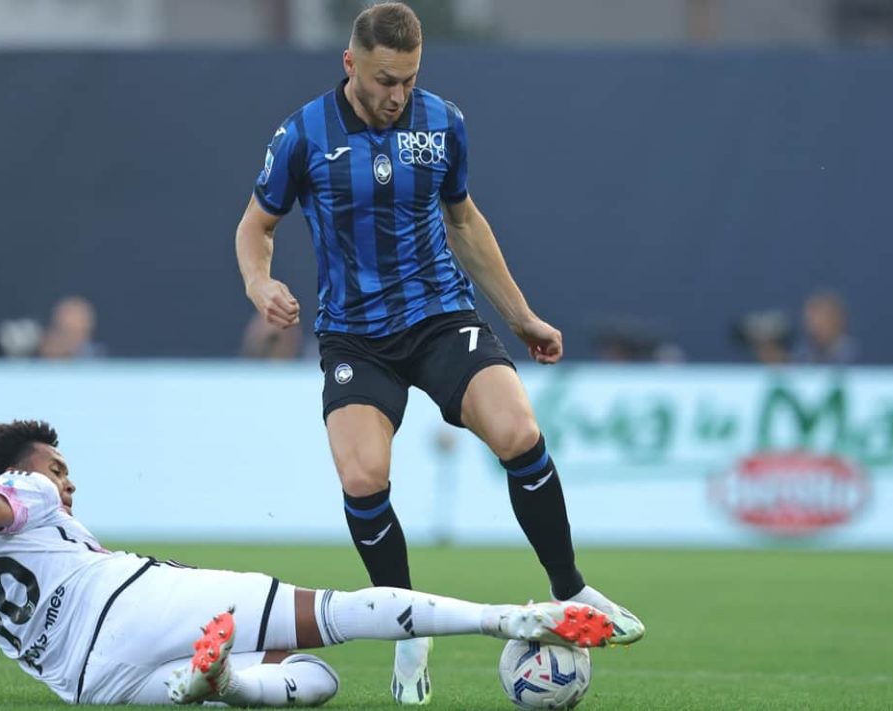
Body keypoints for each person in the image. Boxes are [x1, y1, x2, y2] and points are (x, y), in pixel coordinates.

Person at [233, 2, 644, 703]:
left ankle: (573, 589)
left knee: (519, 430)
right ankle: (407, 625)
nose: (397, 95)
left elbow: (465, 221)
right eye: (385, 79)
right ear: (351, 64)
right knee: (363, 476)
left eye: (409, 79)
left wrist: (521, 317)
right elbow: (255, 225)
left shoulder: (442, 122)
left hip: (440, 317)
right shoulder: (303, 133)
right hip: (356, 336)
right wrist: (259, 281)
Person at [0, 420, 615, 707]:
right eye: (58, 465)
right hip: (134, 605)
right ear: (24, 470)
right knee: (338, 613)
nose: (66, 478)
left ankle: (220, 683)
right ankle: (503, 618)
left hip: (94, 685)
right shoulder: (23, 491)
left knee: (312, 684)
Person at [792, 289, 858, 365]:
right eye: (811, 320)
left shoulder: (857, 357)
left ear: (837, 320)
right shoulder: (800, 358)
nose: (815, 326)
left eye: (822, 319)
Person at [38, 296, 105, 359]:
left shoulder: (98, 361)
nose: (70, 340)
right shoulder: (34, 358)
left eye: (76, 333)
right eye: (65, 332)